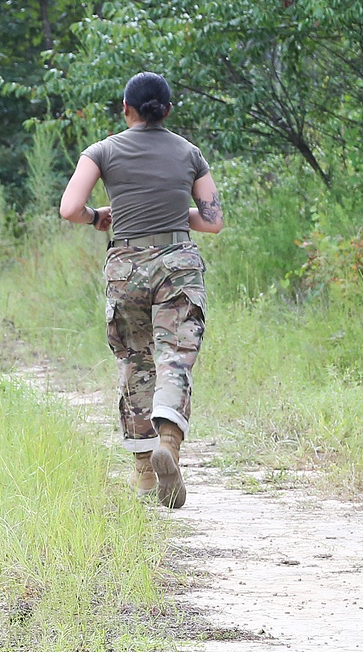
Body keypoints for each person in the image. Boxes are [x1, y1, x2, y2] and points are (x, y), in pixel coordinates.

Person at [60, 72, 223, 509]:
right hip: (177, 264)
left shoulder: (103, 151)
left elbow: (70, 208)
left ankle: (146, 474)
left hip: (126, 265)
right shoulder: (190, 153)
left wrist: (99, 217)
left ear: (126, 108)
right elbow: (212, 220)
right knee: (175, 355)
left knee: (135, 361)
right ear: (167, 110)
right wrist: (174, 212)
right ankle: (168, 439)